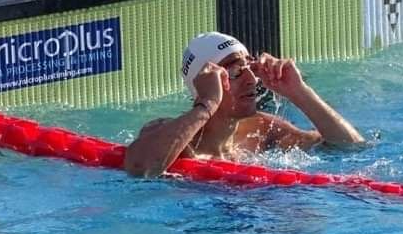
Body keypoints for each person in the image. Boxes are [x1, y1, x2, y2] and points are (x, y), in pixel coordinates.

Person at [125, 32, 364, 177]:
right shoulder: (173, 137)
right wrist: (208, 102)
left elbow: (349, 147)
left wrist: (300, 92)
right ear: (205, 83)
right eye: (236, 71)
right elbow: (140, 168)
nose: (252, 79)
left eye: (250, 67)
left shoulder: (260, 130)